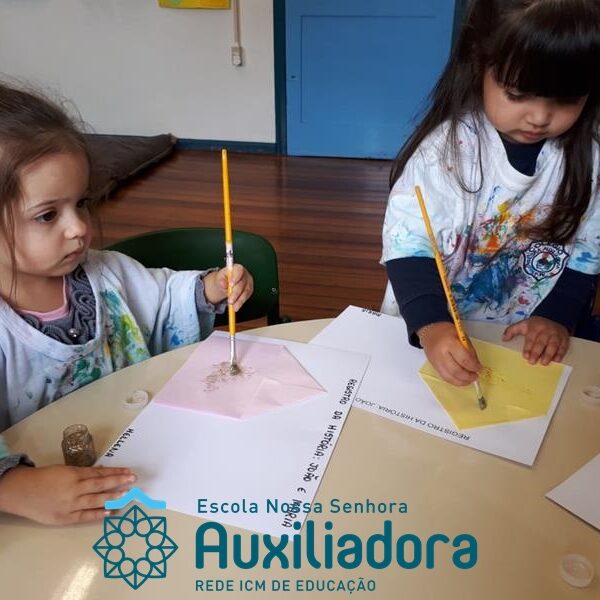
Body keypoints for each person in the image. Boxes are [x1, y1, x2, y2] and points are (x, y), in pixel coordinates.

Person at [0, 83, 253, 524]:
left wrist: (209, 288)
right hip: (51, 519)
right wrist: (12, 488)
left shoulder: (109, 274)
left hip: (152, 469)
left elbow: (162, 299)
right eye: (48, 215)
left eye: (81, 203)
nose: (79, 228)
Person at [382, 0, 600, 387]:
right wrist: (431, 327)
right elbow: (408, 246)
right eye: (517, 94)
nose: (539, 117)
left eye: (567, 99)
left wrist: (557, 315)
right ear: (479, 63)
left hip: (522, 335)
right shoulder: (445, 153)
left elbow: (588, 250)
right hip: (434, 327)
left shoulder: (590, 156)